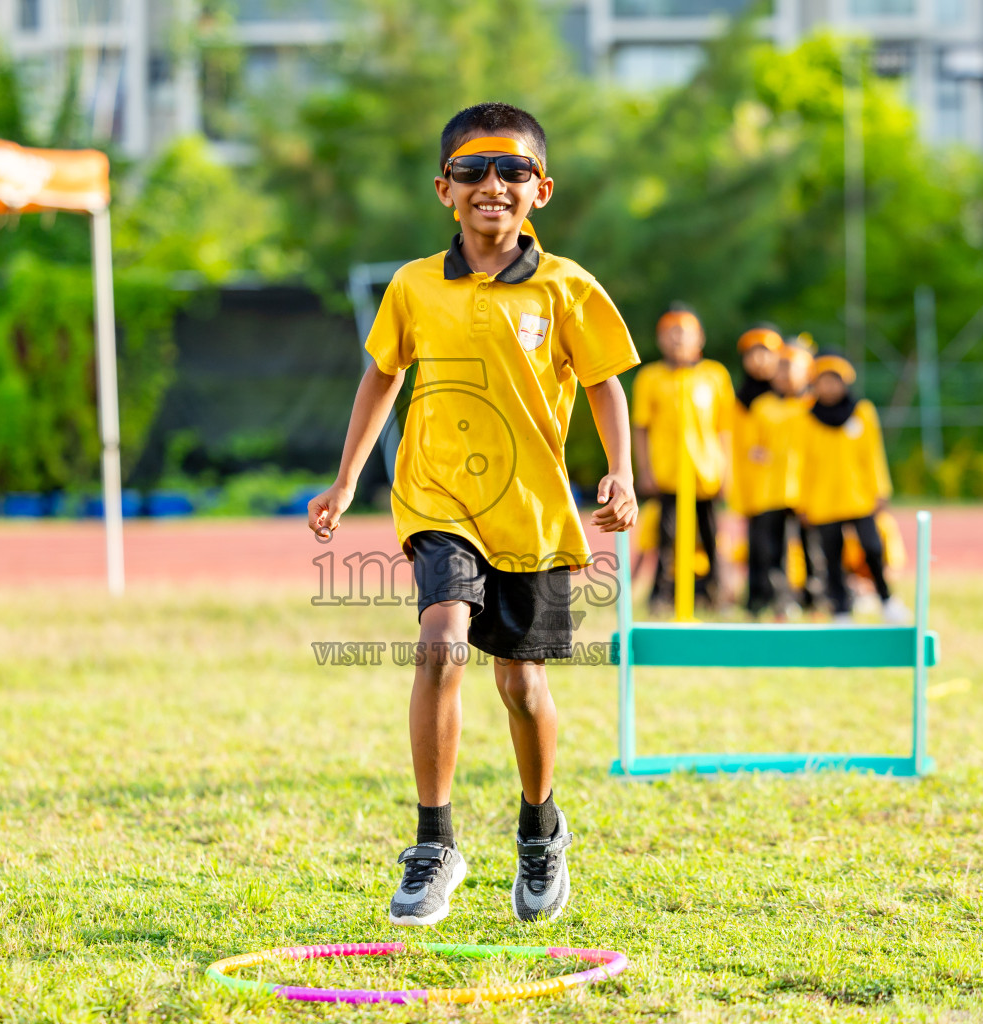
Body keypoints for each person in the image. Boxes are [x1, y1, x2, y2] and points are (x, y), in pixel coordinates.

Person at [306, 103, 640, 927]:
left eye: (512, 170)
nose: (492, 184)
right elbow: (381, 377)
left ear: (542, 189)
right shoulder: (414, 285)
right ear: (443, 189)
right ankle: (434, 842)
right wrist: (347, 480)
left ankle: (540, 827)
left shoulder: (568, 288)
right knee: (440, 642)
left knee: (522, 685)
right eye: (472, 171)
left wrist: (623, 474)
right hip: (436, 497)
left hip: (529, 513)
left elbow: (605, 384)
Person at [631, 306, 733, 614]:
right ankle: (662, 596)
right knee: (666, 538)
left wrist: (727, 470)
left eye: (684, 333)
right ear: (660, 339)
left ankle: (715, 595)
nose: (678, 340)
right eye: (670, 333)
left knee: (712, 537)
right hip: (669, 473)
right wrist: (644, 469)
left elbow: (724, 428)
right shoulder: (650, 377)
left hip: (705, 473)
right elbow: (641, 428)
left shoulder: (715, 375)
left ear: (699, 337)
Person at [797, 352, 912, 624]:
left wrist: (880, 488)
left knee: (872, 547)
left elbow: (872, 453)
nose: (828, 387)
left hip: (858, 495)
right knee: (832, 556)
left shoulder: (862, 412)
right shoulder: (806, 418)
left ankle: (886, 599)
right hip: (823, 499)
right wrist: (802, 501)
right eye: (822, 381)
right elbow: (801, 462)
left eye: (834, 380)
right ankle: (840, 608)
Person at [727, 323, 797, 618]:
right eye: (751, 353)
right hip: (749, 479)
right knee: (756, 542)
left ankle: (789, 596)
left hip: (784, 484)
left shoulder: (788, 397)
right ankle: (756, 596)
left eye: (765, 353)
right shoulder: (741, 399)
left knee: (784, 544)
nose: (758, 360)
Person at [772, 335, 819, 614]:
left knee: (814, 547)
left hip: (810, 489)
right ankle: (783, 599)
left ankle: (816, 597)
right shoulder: (766, 406)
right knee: (778, 548)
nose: (785, 373)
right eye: (781, 366)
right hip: (777, 490)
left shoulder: (816, 408)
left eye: (791, 365)